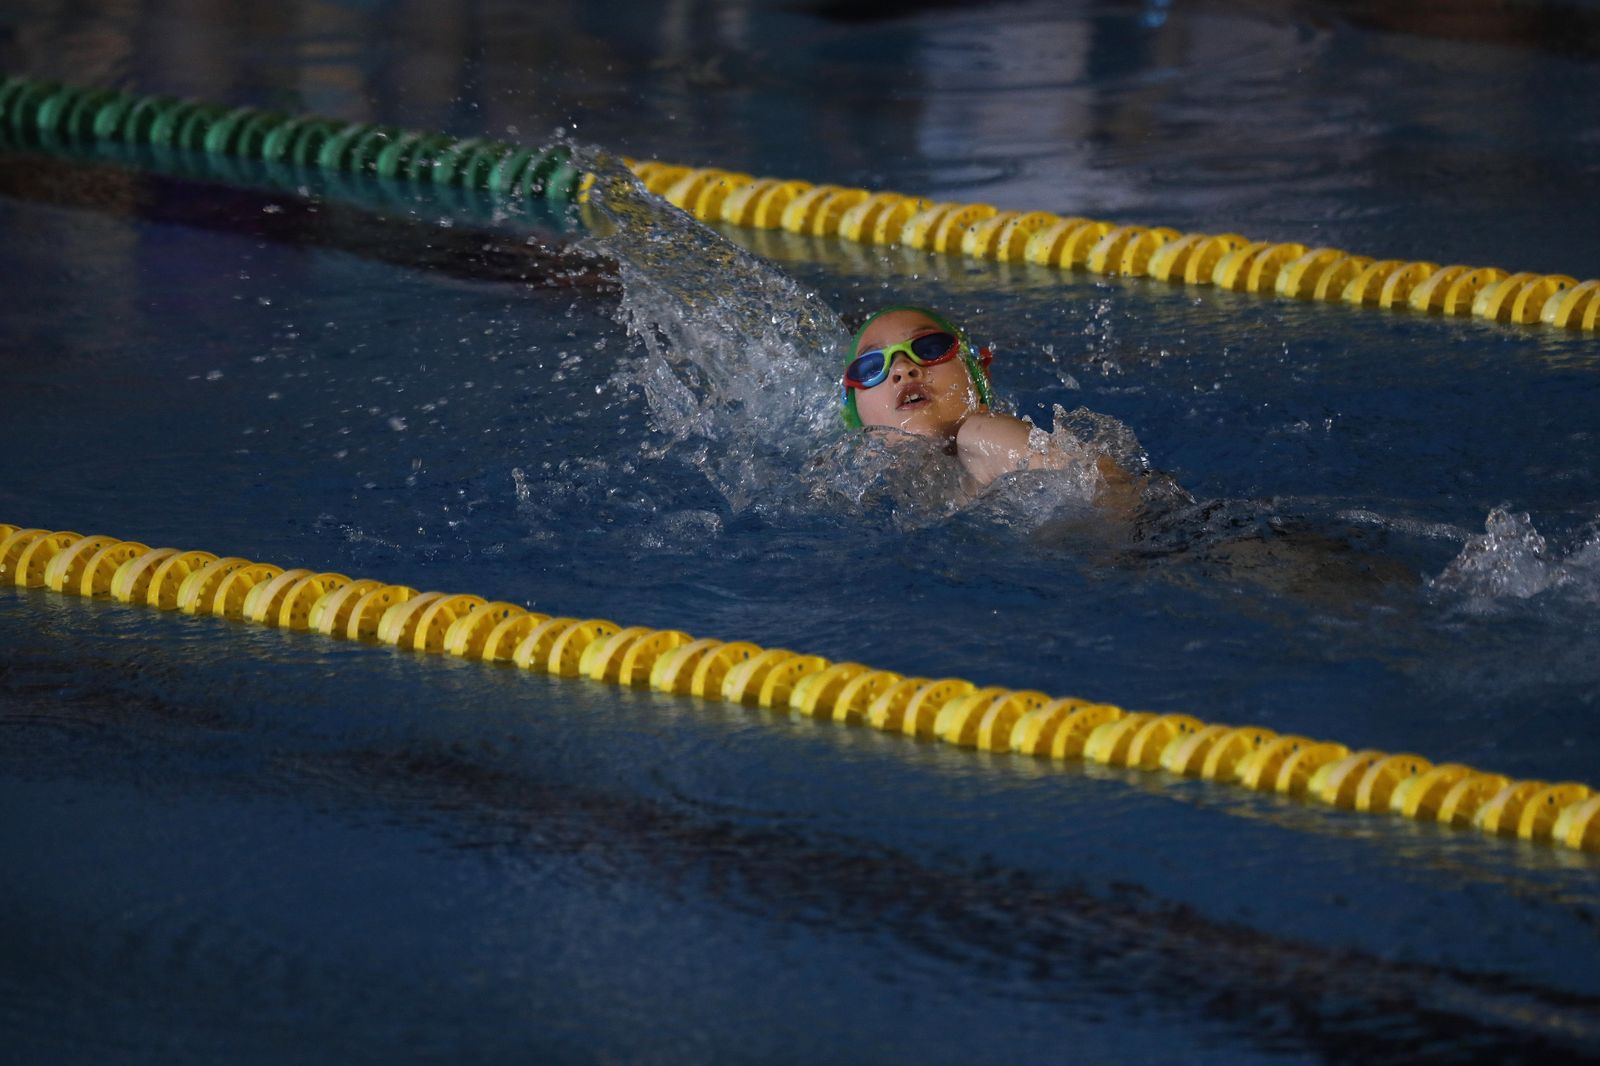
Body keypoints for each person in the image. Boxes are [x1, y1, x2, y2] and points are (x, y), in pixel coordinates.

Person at [841, 305, 1137, 505]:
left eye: (929, 347)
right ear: (855, 418)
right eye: (870, 367)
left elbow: (1111, 493)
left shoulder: (982, 436)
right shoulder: (865, 485)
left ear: (979, 377)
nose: (903, 368)